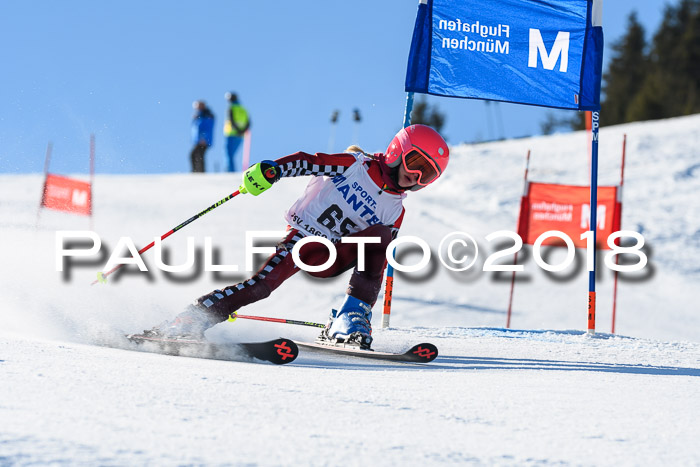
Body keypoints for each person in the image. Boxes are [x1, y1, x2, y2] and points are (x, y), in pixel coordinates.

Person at [146, 124, 449, 349]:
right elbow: (309, 161)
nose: (417, 177)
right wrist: (274, 170)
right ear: (397, 150)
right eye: (416, 164)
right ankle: (190, 318)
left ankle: (349, 318)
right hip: (304, 239)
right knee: (262, 286)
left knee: (382, 237)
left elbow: (376, 262)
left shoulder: (395, 209)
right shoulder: (355, 166)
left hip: (335, 254)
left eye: (428, 174)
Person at [223, 92, 251, 172]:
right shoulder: (243, 109)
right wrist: (242, 130)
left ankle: (230, 171)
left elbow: (231, 120)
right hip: (241, 135)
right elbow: (248, 122)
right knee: (232, 154)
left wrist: (237, 130)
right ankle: (231, 170)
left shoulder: (231, 108)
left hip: (231, 134)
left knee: (229, 154)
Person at [190, 100, 215, 173]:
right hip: (198, 140)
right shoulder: (199, 115)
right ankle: (197, 171)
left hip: (203, 140)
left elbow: (207, 128)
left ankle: (200, 172)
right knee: (196, 155)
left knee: (198, 155)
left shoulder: (207, 115)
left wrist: (204, 138)